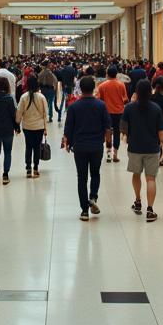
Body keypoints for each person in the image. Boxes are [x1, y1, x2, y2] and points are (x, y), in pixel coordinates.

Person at [62, 75, 111, 221]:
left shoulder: (74, 107)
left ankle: (84, 210)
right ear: (94, 88)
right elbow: (107, 128)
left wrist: (67, 143)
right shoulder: (101, 105)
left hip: (80, 146)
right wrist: (108, 144)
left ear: (81, 89)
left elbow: (68, 128)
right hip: (96, 146)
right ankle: (93, 197)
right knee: (95, 173)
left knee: (81, 178)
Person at [122, 79, 163, 221]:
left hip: (134, 147)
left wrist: (126, 136)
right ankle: (150, 210)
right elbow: (161, 132)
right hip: (152, 148)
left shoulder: (129, 108)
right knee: (151, 178)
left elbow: (123, 126)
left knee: (136, 174)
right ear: (150, 91)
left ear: (136, 92)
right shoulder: (156, 108)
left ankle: (138, 201)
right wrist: (162, 144)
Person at [17, 74, 49, 178]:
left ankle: (28, 168)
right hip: (39, 127)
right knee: (37, 147)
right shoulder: (41, 97)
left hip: (27, 126)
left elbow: (19, 112)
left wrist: (17, 123)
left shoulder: (24, 97)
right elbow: (45, 114)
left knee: (28, 146)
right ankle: (35, 168)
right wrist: (45, 128)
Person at [98, 65, 129, 164]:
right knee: (116, 133)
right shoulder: (121, 85)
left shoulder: (102, 86)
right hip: (119, 112)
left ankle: (108, 154)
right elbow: (125, 99)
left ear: (107, 74)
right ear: (116, 74)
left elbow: (99, 99)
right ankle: (115, 155)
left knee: (108, 132)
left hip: (107, 112)